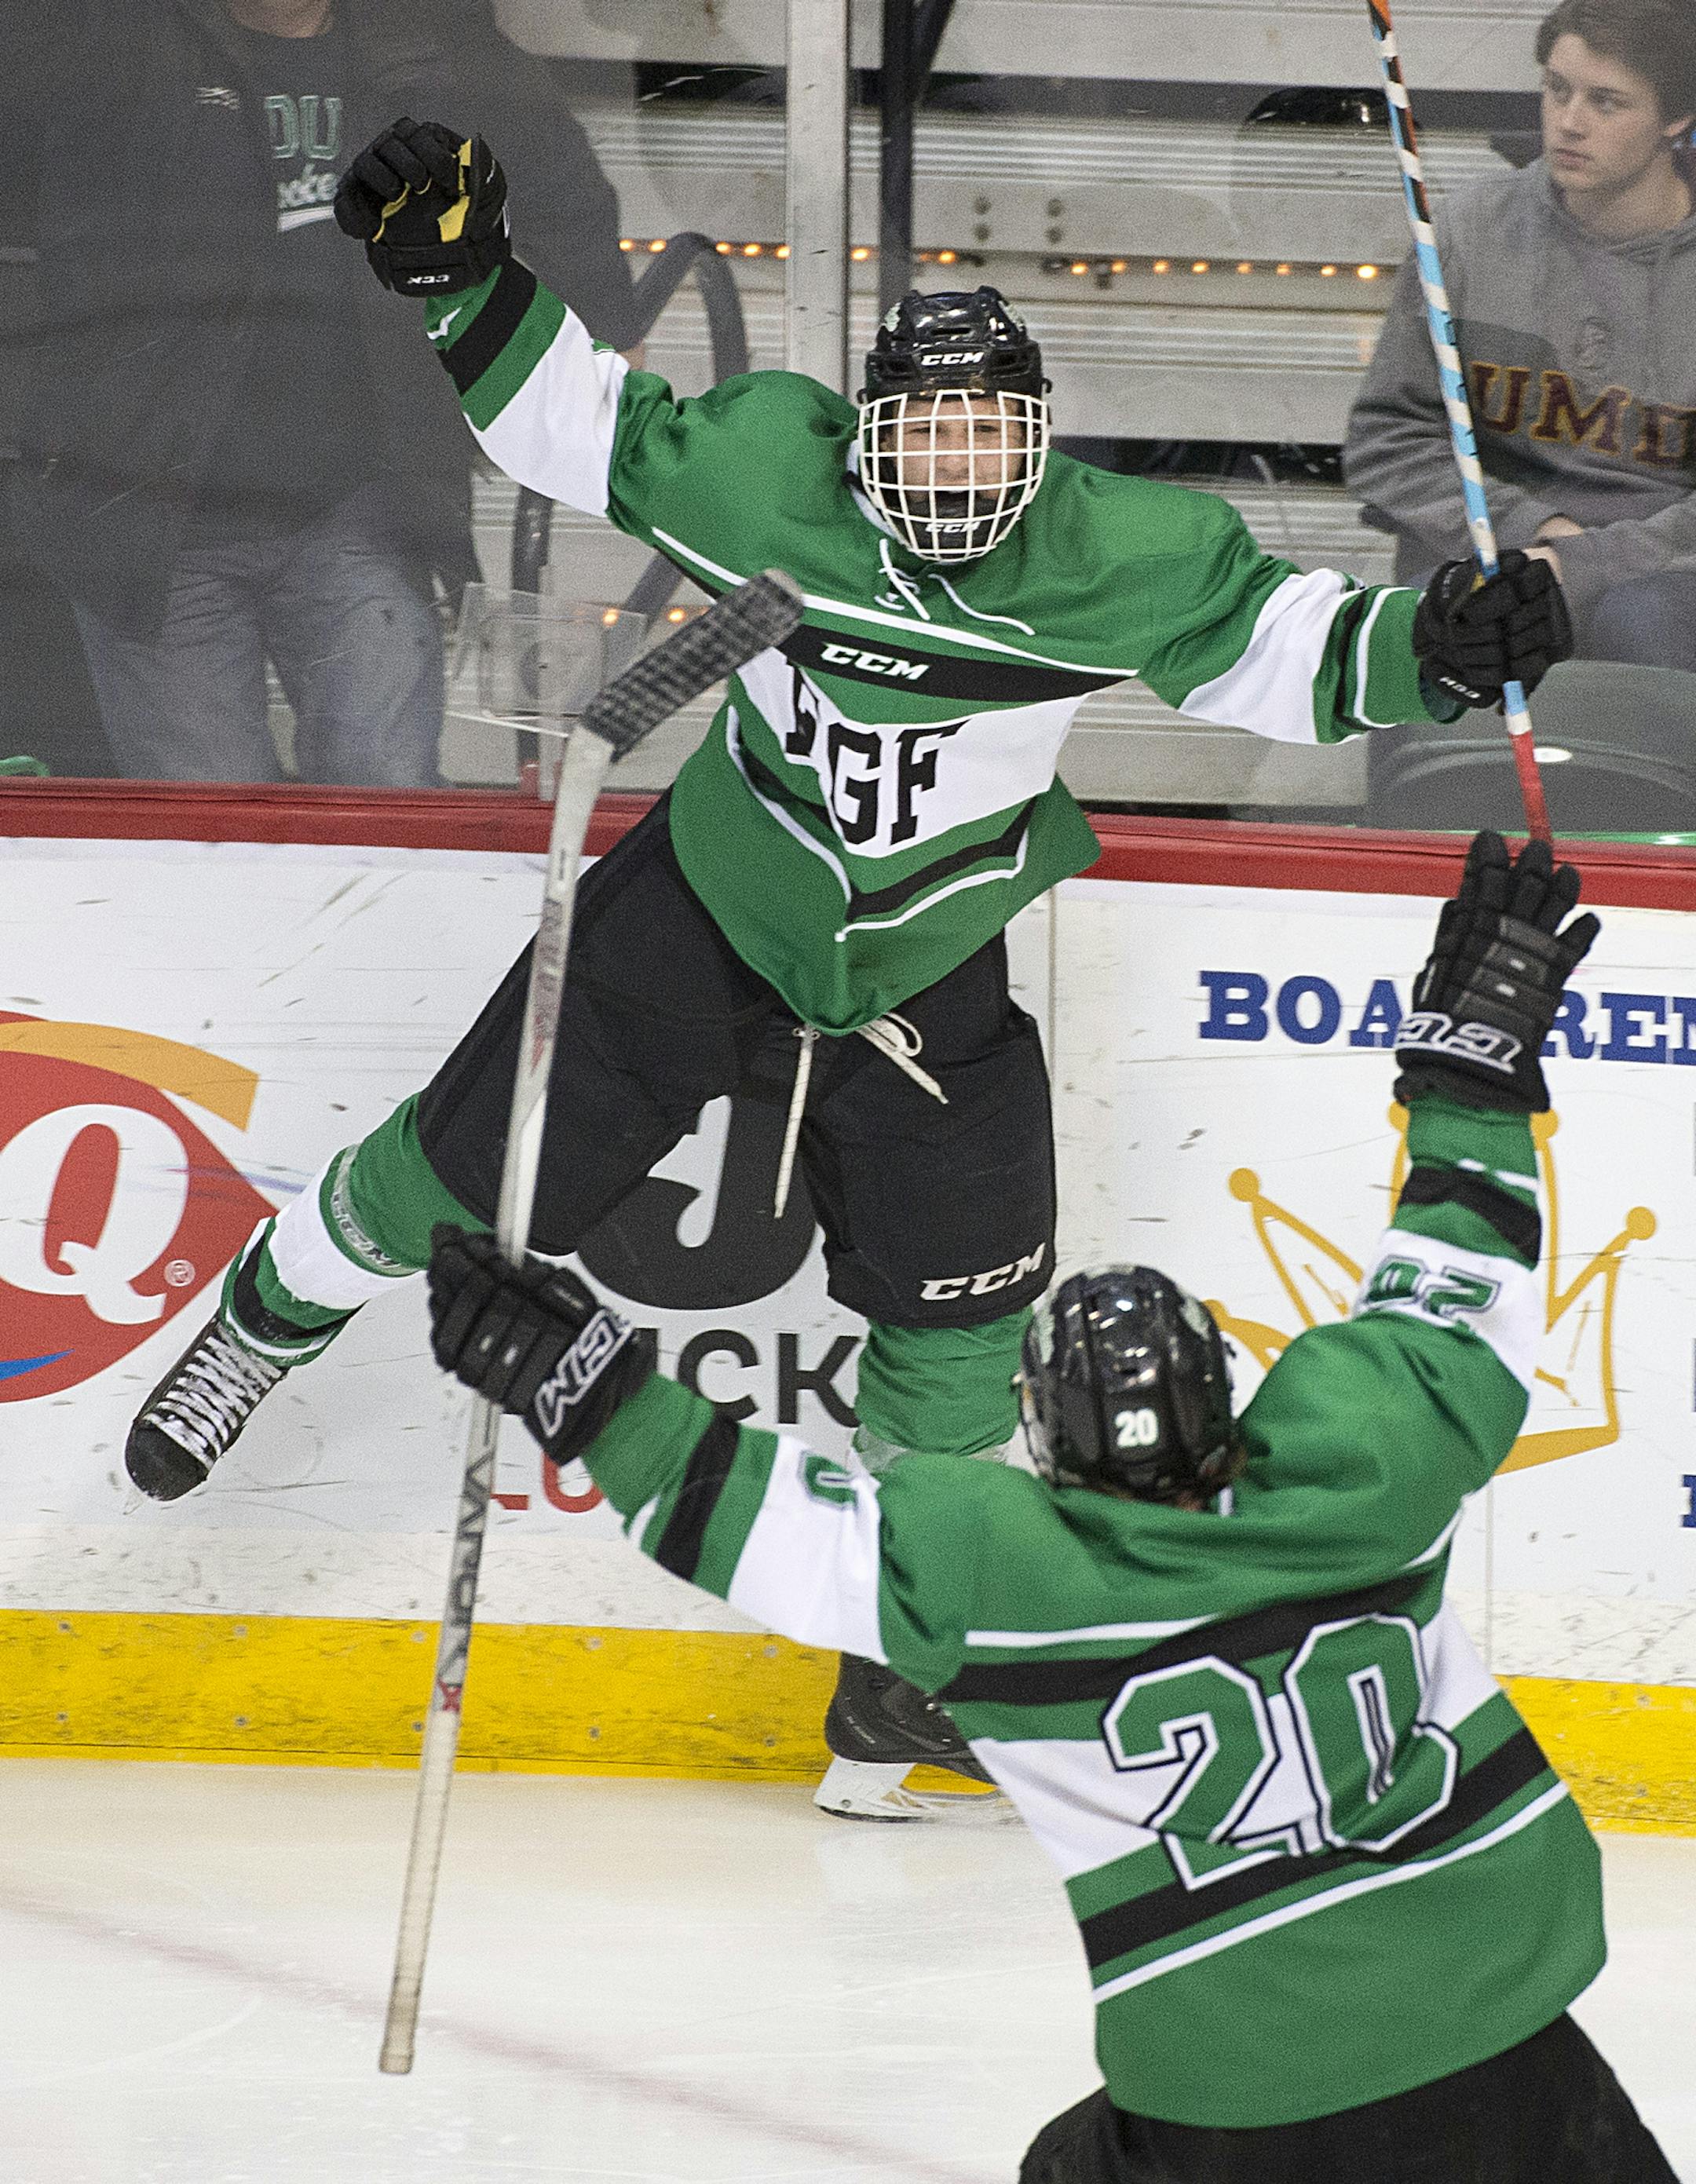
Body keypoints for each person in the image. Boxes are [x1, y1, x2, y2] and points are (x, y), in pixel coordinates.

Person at [122, 119, 1572, 1821]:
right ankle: (261, 1321)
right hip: (715, 905)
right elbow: (587, 424)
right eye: (924, 427)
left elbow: (1283, 654)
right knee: (447, 1182)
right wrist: (462, 285)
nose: (954, 463)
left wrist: (1440, 649)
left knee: (959, 1330)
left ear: (1036, 444)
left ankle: (896, 1685)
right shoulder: (770, 470)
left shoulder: (1115, 555)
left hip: (928, 967)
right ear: (867, 431)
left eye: (984, 429)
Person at [422, 832, 1676, 2182]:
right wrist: (1466, 1074)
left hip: (1233, 2089)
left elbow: (747, 1518)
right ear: (1225, 1397)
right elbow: (1459, 1271)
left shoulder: (1000, 1566)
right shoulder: (1363, 1452)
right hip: (1508, 2027)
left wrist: (587, 1387)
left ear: (1044, 1440)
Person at [10, 2, 638, 787]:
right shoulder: (108, 36)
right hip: (153, 522)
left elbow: (554, 178)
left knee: (387, 803)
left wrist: (611, 347)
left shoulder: (424, 42)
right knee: (205, 835)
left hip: (358, 504)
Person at [1345, 0, 1696, 672]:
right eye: (1557, 89)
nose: (1569, 122)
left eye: (1608, 103)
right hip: (1493, 552)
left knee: (1650, 625)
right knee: (1427, 650)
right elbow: (1388, 437)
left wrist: (1583, 561)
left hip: (1663, 578)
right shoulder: (1471, 231)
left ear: (1675, 119)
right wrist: (1530, 532)